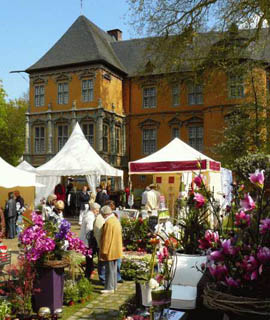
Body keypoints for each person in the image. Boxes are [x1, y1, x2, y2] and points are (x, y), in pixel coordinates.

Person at [99, 205, 123, 294]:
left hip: (110, 249)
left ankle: (109, 287)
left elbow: (107, 238)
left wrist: (103, 250)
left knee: (109, 269)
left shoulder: (109, 223)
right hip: (116, 248)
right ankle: (114, 286)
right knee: (114, 268)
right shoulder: (115, 220)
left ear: (105, 214)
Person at [80, 202, 101, 279]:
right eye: (97, 210)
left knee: (89, 258)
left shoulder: (89, 215)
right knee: (89, 258)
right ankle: (88, 274)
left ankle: (89, 271)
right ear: (93, 209)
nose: (98, 212)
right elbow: (90, 229)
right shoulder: (90, 217)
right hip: (88, 241)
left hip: (87, 240)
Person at [93, 207, 106, 284]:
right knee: (102, 261)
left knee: (101, 261)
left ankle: (103, 277)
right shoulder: (100, 219)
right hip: (101, 243)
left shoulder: (99, 218)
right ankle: (103, 278)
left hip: (100, 243)